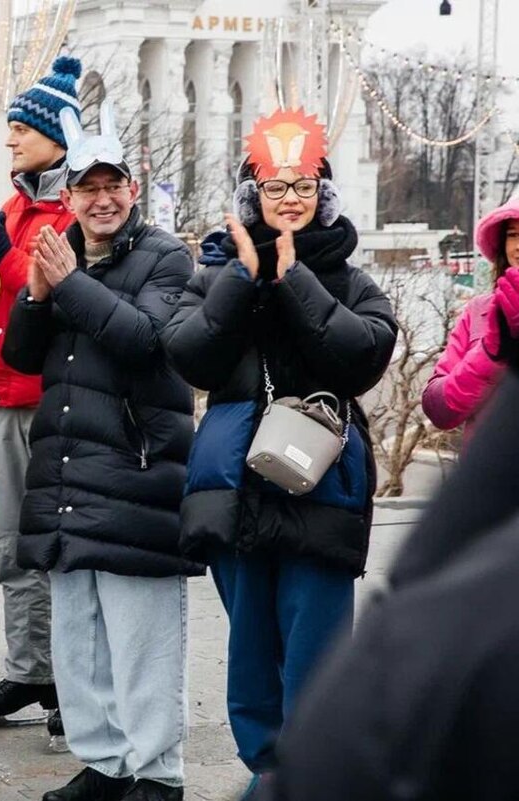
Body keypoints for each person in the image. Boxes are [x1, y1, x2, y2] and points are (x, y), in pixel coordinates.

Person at [162, 108, 397, 800]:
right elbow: (188, 354)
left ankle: (313, 772)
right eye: (274, 186)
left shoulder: (350, 280)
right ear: (251, 196)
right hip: (233, 489)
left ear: (323, 196)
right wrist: (243, 276)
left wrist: (296, 280)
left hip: (321, 488)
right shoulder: (215, 273)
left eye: (303, 186)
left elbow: (364, 355)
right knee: (250, 653)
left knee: (317, 651)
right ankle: (268, 772)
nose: (290, 198)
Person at [3, 103, 202, 801]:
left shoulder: (166, 256)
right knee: (79, 638)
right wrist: (35, 298)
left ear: (133, 187)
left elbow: (147, 339)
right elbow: (20, 357)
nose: (101, 199)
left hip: (136, 475)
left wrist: (67, 284)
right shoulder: (59, 253)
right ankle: (105, 761)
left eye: (112, 184)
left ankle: (157, 772)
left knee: (143, 637)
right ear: (69, 196)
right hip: (65, 474)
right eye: (87, 187)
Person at [256, 330, 519, 801]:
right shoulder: (487, 315)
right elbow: (442, 404)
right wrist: (494, 344)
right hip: (473, 515)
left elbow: (361, 351)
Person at [0, 53, 83, 738]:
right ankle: (30, 666)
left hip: (54, 398)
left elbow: (60, 285)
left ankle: (72, 681)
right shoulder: (14, 205)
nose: (10, 138)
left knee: (62, 544)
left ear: (57, 135)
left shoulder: (76, 207)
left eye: (22, 127)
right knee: (12, 544)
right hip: (5, 396)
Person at [422, 192, 519, 437]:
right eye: (513, 235)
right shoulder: (479, 311)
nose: (518, 246)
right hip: (487, 460)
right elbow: (438, 408)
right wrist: (490, 353)